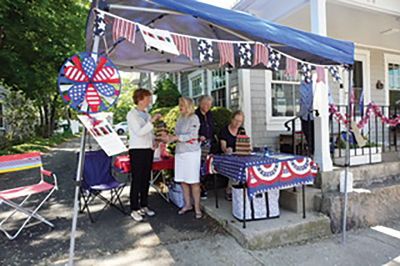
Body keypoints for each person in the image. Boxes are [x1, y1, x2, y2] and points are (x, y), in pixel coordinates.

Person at [127, 88, 161, 222]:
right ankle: (134, 208)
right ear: (140, 99)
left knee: (146, 178)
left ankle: (144, 205)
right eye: (148, 98)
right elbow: (139, 132)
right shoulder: (132, 114)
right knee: (137, 179)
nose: (150, 101)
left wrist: (154, 141)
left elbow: (148, 133)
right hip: (137, 150)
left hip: (147, 149)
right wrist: (151, 121)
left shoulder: (146, 113)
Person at [165, 97, 202, 219]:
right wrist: (169, 138)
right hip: (180, 152)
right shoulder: (180, 118)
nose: (180, 107)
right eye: (179, 104)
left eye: (182, 105)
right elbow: (176, 134)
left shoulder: (194, 118)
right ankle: (187, 205)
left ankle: (197, 207)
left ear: (189, 105)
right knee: (183, 181)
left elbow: (192, 135)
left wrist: (176, 138)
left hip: (191, 153)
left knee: (193, 181)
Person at [219, 110, 245, 200]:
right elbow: (223, 148)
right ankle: (229, 190)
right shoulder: (224, 131)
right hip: (226, 156)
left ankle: (242, 189)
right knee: (237, 166)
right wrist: (227, 150)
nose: (238, 123)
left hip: (239, 155)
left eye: (240, 121)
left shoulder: (241, 130)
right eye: (236, 120)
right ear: (232, 119)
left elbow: (244, 144)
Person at [195, 95, 215, 200]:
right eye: (204, 103)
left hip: (209, 144)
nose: (206, 106)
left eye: (209, 104)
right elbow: (192, 131)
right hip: (199, 144)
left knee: (206, 166)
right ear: (200, 103)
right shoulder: (195, 115)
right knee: (199, 166)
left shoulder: (210, 115)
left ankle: (203, 186)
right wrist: (198, 136)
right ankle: (199, 189)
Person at [298, 80, 314, 156]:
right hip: (305, 115)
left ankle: (313, 152)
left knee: (313, 136)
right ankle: (311, 152)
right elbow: (302, 101)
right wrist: (301, 113)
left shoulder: (316, 83)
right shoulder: (302, 85)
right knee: (308, 135)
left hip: (314, 115)